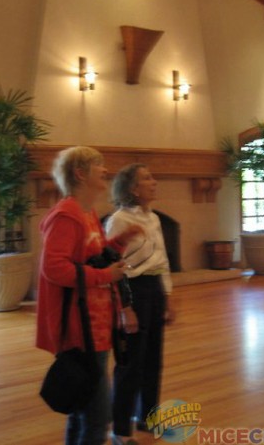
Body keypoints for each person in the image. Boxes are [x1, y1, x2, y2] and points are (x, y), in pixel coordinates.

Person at [36, 146, 140, 445]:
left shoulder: (87, 212)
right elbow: (54, 269)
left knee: (84, 409)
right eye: (99, 165)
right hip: (79, 326)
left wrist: (120, 242)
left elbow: (94, 255)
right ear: (80, 173)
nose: (106, 170)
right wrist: (105, 276)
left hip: (95, 323)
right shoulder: (66, 216)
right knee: (97, 417)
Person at [105, 163, 176, 445]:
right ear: (133, 189)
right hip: (131, 289)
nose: (154, 182)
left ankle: (148, 417)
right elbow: (112, 266)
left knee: (153, 359)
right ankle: (120, 430)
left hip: (154, 288)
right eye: (147, 178)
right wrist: (125, 307)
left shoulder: (155, 219)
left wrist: (168, 298)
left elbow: (163, 262)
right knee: (130, 363)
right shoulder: (119, 220)